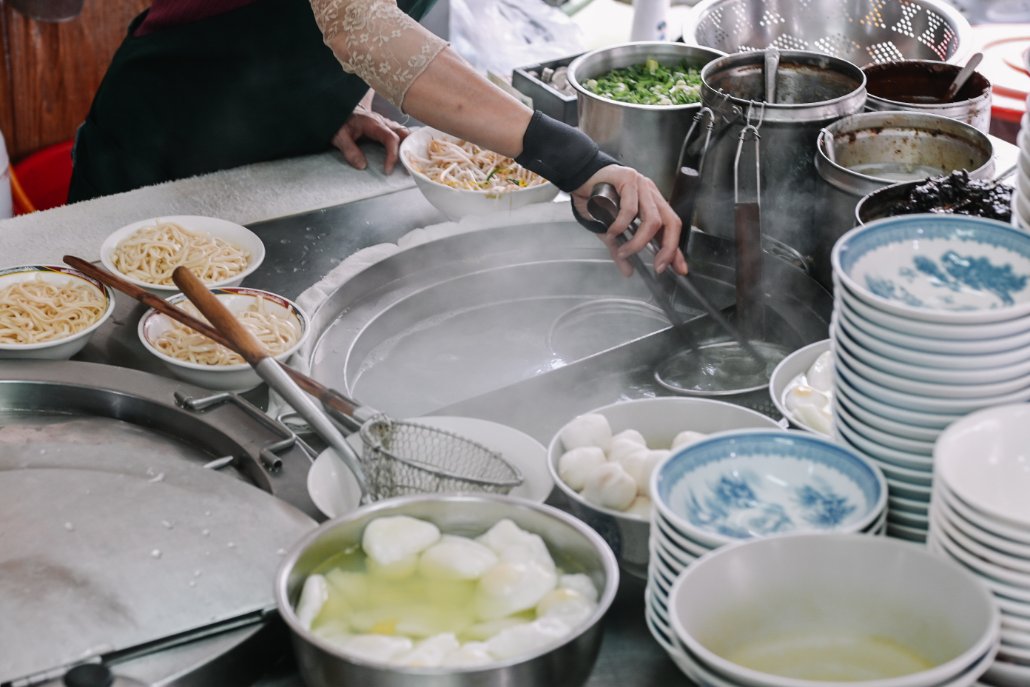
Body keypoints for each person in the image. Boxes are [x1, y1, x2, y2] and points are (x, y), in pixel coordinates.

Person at [69, 0, 686, 275]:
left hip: (276, 132)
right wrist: (573, 159)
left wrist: (330, 96)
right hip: (163, 124)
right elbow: (358, 24)